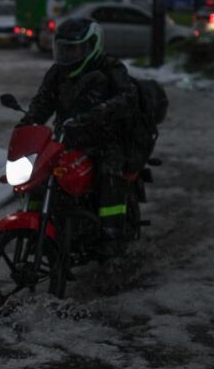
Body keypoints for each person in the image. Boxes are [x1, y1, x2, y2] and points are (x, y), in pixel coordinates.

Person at [18, 18, 137, 255]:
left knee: (108, 173)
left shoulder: (110, 68)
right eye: (63, 49)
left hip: (104, 140)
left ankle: (111, 236)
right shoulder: (57, 73)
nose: (68, 55)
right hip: (66, 139)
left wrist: (99, 113)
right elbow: (43, 101)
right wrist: (27, 123)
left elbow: (126, 98)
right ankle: (34, 228)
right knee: (38, 174)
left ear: (92, 46)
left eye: (74, 49)